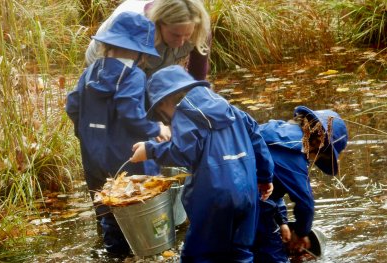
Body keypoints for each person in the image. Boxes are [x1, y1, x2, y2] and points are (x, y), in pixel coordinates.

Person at [129, 65, 275, 262]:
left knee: (198, 255)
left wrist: (150, 150)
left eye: (162, 110)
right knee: (241, 253)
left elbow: (183, 153)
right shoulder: (231, 109)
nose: (166, 118)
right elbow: (257, 139)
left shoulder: (184, 113)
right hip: (248, 194)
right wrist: (266, 177)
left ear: (166, 101)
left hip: (213, 197)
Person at [65, 11, 171, 254]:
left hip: (93, 156)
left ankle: (112, 249)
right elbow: (130, 112)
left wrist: (86, 135)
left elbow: (72, 105)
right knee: (137, 200)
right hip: (127, 155)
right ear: (138, 51)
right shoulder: (133, 75)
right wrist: (156, 128)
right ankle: (144, 250)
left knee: (105, 203)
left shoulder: (90, 72)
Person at [253, 106, 348, 263]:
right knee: (274, 256)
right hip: (248, 206)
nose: (311, 160)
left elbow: (271, 191)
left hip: (216, 195)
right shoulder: (294, 150)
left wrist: (282, 222)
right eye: (319, 156)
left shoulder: (271, 128)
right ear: (319, 142)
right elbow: (305, 203)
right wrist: (300, 233)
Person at [85, 0, 211, 80]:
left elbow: (197, 76)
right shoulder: (136, 27)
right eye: (175, 35)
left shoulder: (199, 28)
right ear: (159, 23)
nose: (181, 42)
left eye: (187, 34)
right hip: (105, 60)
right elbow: (125, 87)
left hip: (151, 63)